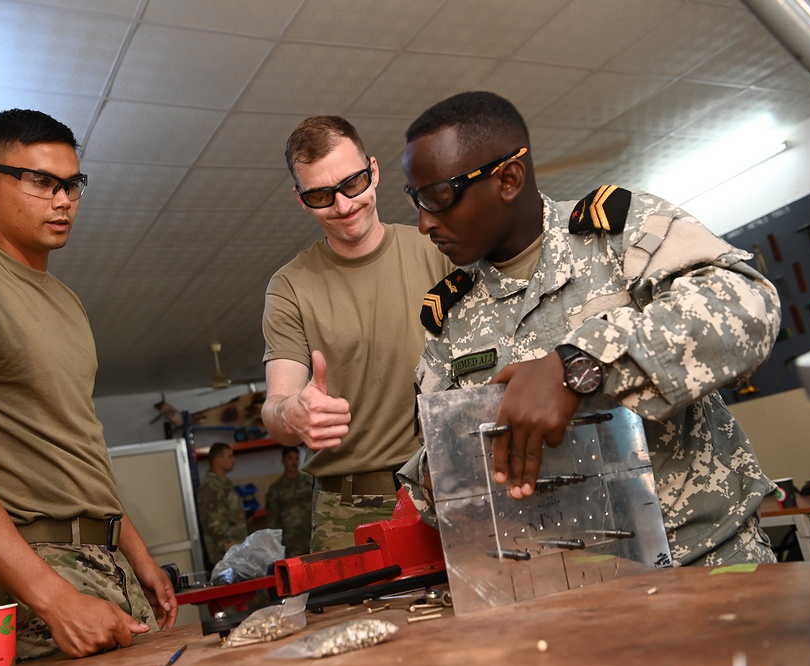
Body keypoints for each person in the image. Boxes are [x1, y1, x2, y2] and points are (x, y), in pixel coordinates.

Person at [398, 91, 782, 567]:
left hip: (706, 559)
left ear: (509, 179)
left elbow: (747, 305)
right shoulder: (450, 316)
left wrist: (580, 363)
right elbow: (437, 461)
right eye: (417, 200)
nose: (423, 223)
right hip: (565, 584)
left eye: (438, 197)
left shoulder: (617, 235)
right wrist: (443, 478)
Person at [0, 109, 177, 663]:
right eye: (42, 182)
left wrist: (135, 550)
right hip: (29, 577)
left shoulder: (66, 301)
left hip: (103, 561)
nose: (63, 199)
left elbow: (73, 442)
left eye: (72, 184)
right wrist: (54, 599)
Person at [261, 115, 454, 552]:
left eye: (353, 184)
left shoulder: (438, 249)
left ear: (374, 170)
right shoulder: (291, 285)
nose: (344, 206)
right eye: (321, 196)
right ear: (300, 199)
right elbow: (275, 407)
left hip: (446, 486)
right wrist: (292, 413)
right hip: (346, 510)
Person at [197, 442, 248, 566]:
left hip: (235, 551)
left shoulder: (223, 483)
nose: (234, 460)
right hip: (225, 555)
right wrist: (227, 545)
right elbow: (215, 523)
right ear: (218, 459)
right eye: (230, 456)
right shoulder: (211, 486)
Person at [265, 447, 314, 557]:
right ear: (283, 461)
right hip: (291, 541)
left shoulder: (309, 481)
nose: (294, 462)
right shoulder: (276, 488)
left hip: (311, 536)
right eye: (290, 459)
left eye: (296, 459)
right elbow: (272, 519)